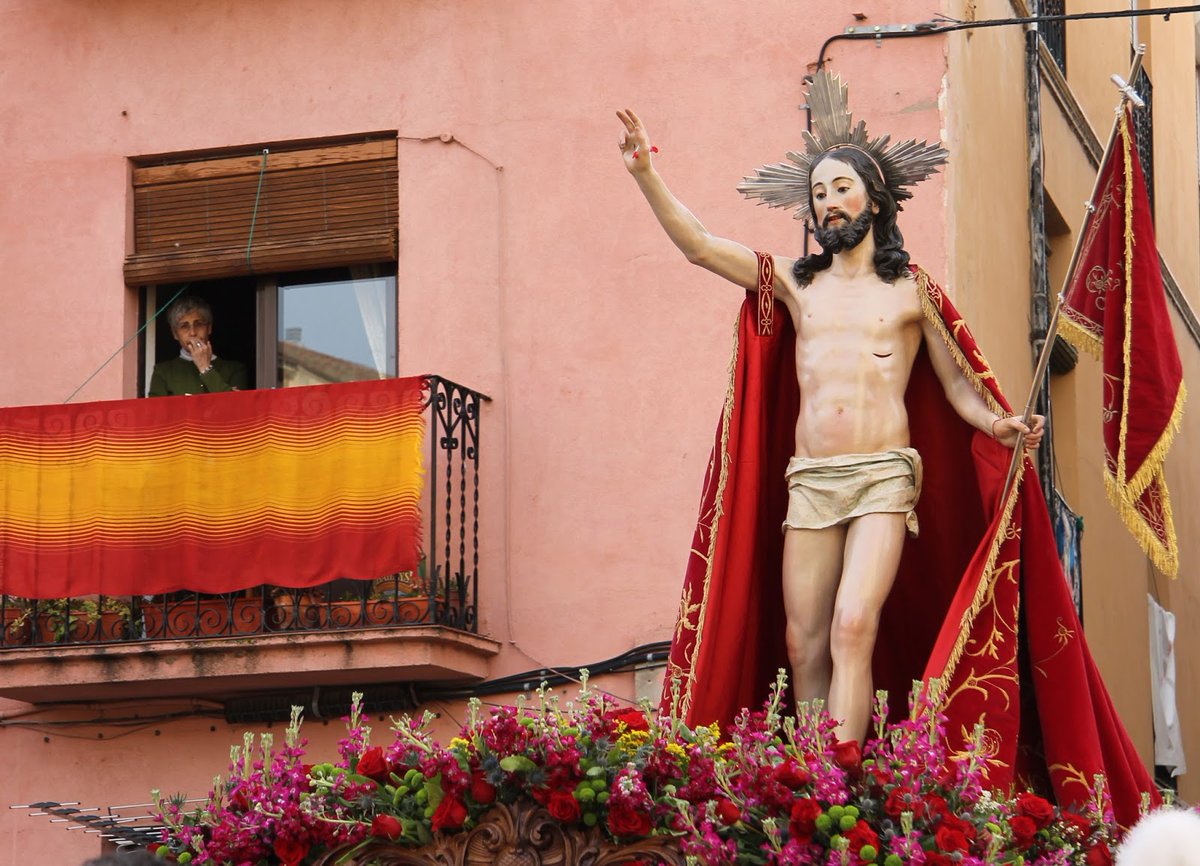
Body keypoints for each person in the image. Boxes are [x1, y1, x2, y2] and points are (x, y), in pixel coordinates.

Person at [616, 101, 1044, 748]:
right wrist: (646, 173)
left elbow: (956, 382)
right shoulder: (795, 283)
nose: (829, 204)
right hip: (811, 480)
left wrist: (996, 423)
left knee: (852, 624)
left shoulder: (911, 290)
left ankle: (841, 772)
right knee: (803, 639)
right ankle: (814, 779)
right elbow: (701, 247)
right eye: (818, 194)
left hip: (883, 476)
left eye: (842, 188)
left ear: (874, 199)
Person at [148, 295, 248, 397]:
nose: (192, 333)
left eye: (199, 324)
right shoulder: (163, 372)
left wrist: (205, 368)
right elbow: (155, 411)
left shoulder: (234, 369)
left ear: (209, 328)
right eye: (184, 326)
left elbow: (235, 407)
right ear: (175, 333)